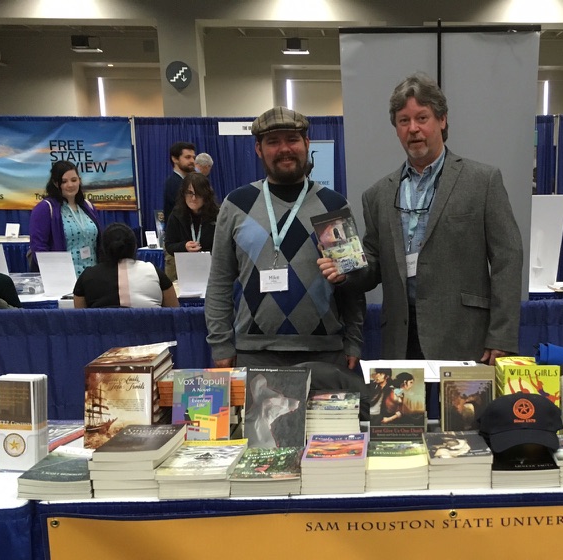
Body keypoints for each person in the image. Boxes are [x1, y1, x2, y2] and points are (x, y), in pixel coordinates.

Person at [329, 73, 523, 364]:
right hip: (400, 338)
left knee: (464, 401)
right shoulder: (377, 195)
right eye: (403, 121)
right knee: (401, 400)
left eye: (422, 118)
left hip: (466, 337)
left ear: (442, 120)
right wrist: (345, 270)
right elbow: (374, 265)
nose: (413, 129)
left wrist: (502, 335)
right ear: (396, 129)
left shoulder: (483, 181)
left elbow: (508, 258)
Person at [204, 107, 364, 372]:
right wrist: (220, 344)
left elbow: (352, 283)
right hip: (253, 354)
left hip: (324, 354)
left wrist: (354, 341)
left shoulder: (333, 205)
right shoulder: (237, 204)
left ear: (307, 143)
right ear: (259, 149)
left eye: (292, 139)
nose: (284, 149)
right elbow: (219, 281)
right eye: (273, 142)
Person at [72, 223, 178, 309]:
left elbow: (81, 321)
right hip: (148, 329)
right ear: (134, 246)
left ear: (103, 248)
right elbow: (175, 314)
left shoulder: (86, 276)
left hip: (103, 329)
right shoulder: (154, 272)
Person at [28, 160, 102, 276]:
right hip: (64, 278)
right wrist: (56, 276)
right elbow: (39, 248)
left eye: (74, 180)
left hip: (92, 276)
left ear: (79, 180)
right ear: (55, 183)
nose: (70, 185)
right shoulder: (45, 208)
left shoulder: (88, 206)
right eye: (64, 181)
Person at [164, 172, 219, 282]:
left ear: (206, 195)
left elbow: (224, 246)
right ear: (183, 194)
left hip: (212, 269)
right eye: (189, 193)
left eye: (198, 193)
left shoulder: (217, 215)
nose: (193, 198)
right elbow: (169, 245)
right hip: (184, 269)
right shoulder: (176, 214)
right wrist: (184, 246)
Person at [163, 141, 197, 222]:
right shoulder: (174, 183)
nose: (192, 161)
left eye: (193, 158)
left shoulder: (187, 181)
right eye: (188, 157)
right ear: (175, 159)